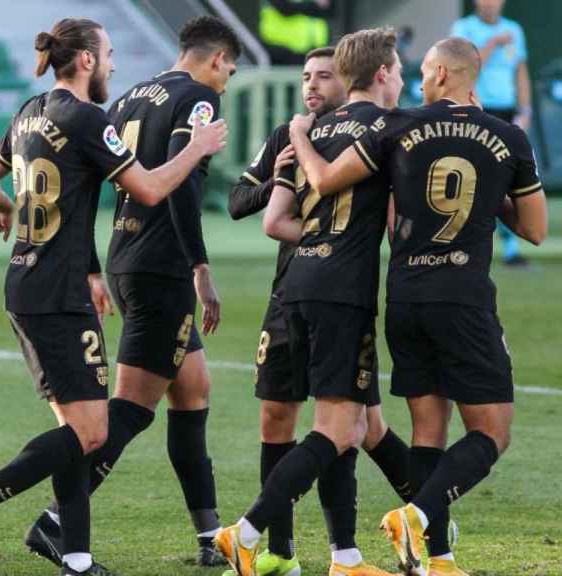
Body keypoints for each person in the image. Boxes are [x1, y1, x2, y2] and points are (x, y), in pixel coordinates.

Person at [0, 17, 226, 576]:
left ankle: (74, 555)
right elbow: (149, 188)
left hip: (26, 281)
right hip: (56, 292)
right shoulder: (88, 118)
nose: (115, 65)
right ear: (88, 60)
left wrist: (7, 208)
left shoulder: (29, 112)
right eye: (110, 54)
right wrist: (197, 148)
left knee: (80, 427)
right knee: (91, 431)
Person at [283, 36, 546, 576]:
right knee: (493, 432)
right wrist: (489, 191)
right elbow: (535, 230)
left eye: (426, 72)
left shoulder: (397, 128)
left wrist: (299, 139)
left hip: (404, 296)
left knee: (428, 430)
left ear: (446, 74)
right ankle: (419, 515)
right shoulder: (509, 137)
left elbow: (326, 179)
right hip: (464, 298)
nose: (420, 81)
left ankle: (438, 560)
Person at [20, 15, 237, 570]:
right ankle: (53, 522)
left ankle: (211, 535)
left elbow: (87, 191)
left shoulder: (131, 95)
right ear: (215, 59)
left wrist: (95, 266)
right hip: (163, 268)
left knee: (192, 392)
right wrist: (201, 267)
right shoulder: (199, 102)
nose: (227, 80)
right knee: (129, 412)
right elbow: (183, 188)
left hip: (123, 255)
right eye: (230, 69)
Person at [215, 28, 404, 576]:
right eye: (307, 77)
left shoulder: (312, 131)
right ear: (384, 73)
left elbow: (275, 220)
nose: (313, 86)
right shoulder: (381, 129)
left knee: (353, 424)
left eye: (323, 75)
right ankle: (250, 534)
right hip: (341, 289)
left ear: (347, 78)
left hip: (301, 284)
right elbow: (251, 205)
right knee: (340, 427)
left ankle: (350, 551)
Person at [451, 0, 531, 266]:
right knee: (470, 176)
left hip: (506, 111)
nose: (491, 3)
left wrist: (526, 109)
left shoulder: (515, 30)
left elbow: (520, 71)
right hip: (475, 110)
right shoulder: (463, 28)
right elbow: (465, 68)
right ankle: (461, 241)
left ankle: (511, 247)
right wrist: (494, 42)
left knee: (508, 177)